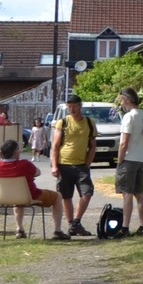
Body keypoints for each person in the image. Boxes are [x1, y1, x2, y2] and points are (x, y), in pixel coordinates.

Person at [0, 139, 66, 239]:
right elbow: (37, 172)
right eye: (18, 149)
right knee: (58, 196)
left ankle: (19, 229)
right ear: (15, 152)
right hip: (31, 195)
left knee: (17, 198)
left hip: (6, 197)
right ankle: (57, 230)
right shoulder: (24, 164)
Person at [50, 95, 97, 237]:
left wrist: (87, 164)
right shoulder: (62, 122)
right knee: (66, 196)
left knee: (87, 192)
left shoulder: (89, 122)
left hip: (81, 164)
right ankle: (72, 225)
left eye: (74, 106)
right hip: (64, 163)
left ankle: (76, 221)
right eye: (69, 106)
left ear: (80, 106)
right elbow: (55, 145)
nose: (72, 109)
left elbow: (93, 146)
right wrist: (54, 165)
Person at [115, 86, 143, 236]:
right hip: (140, 158)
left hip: (128, 158)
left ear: (128, 100)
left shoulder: (129, 117)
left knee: (127, 193)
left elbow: (124, 142)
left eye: (122, 100)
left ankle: (125, 227)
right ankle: (142, 226)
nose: (121, 103)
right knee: (139, 193)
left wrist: (120, 160)